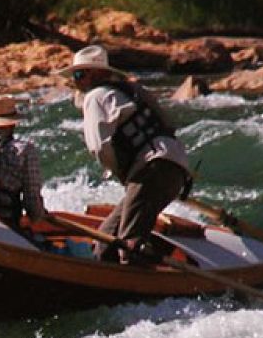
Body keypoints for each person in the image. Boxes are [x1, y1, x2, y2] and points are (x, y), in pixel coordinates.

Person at [64, 44, 191, 264]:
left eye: (78, 74)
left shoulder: (95, 97)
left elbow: (99, 147)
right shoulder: (130, 91)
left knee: (130, 244)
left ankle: (140, 287)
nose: (75, 81)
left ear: (95, 74)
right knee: (106, 241)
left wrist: (122, 173)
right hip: (175, 166)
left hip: (152, 167)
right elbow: (168, 124)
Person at [0, 94, 48, 236]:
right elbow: (32, 200)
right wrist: (38, 215)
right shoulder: (23, 150)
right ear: (11, 123)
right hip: (6, 225)